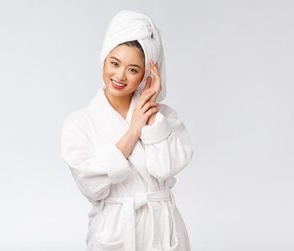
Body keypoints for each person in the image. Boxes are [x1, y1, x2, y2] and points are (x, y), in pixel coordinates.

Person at [60, 10, 194, 251]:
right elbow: (91, 186)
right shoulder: (80, 123)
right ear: (104, 59)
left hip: (163, 232)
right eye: (114, 63)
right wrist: (133, 132)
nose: (120, 76)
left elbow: (165, 169)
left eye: (133, 69)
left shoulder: (164, 117)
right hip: (115, 234)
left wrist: (152, 116)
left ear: (147, 74)